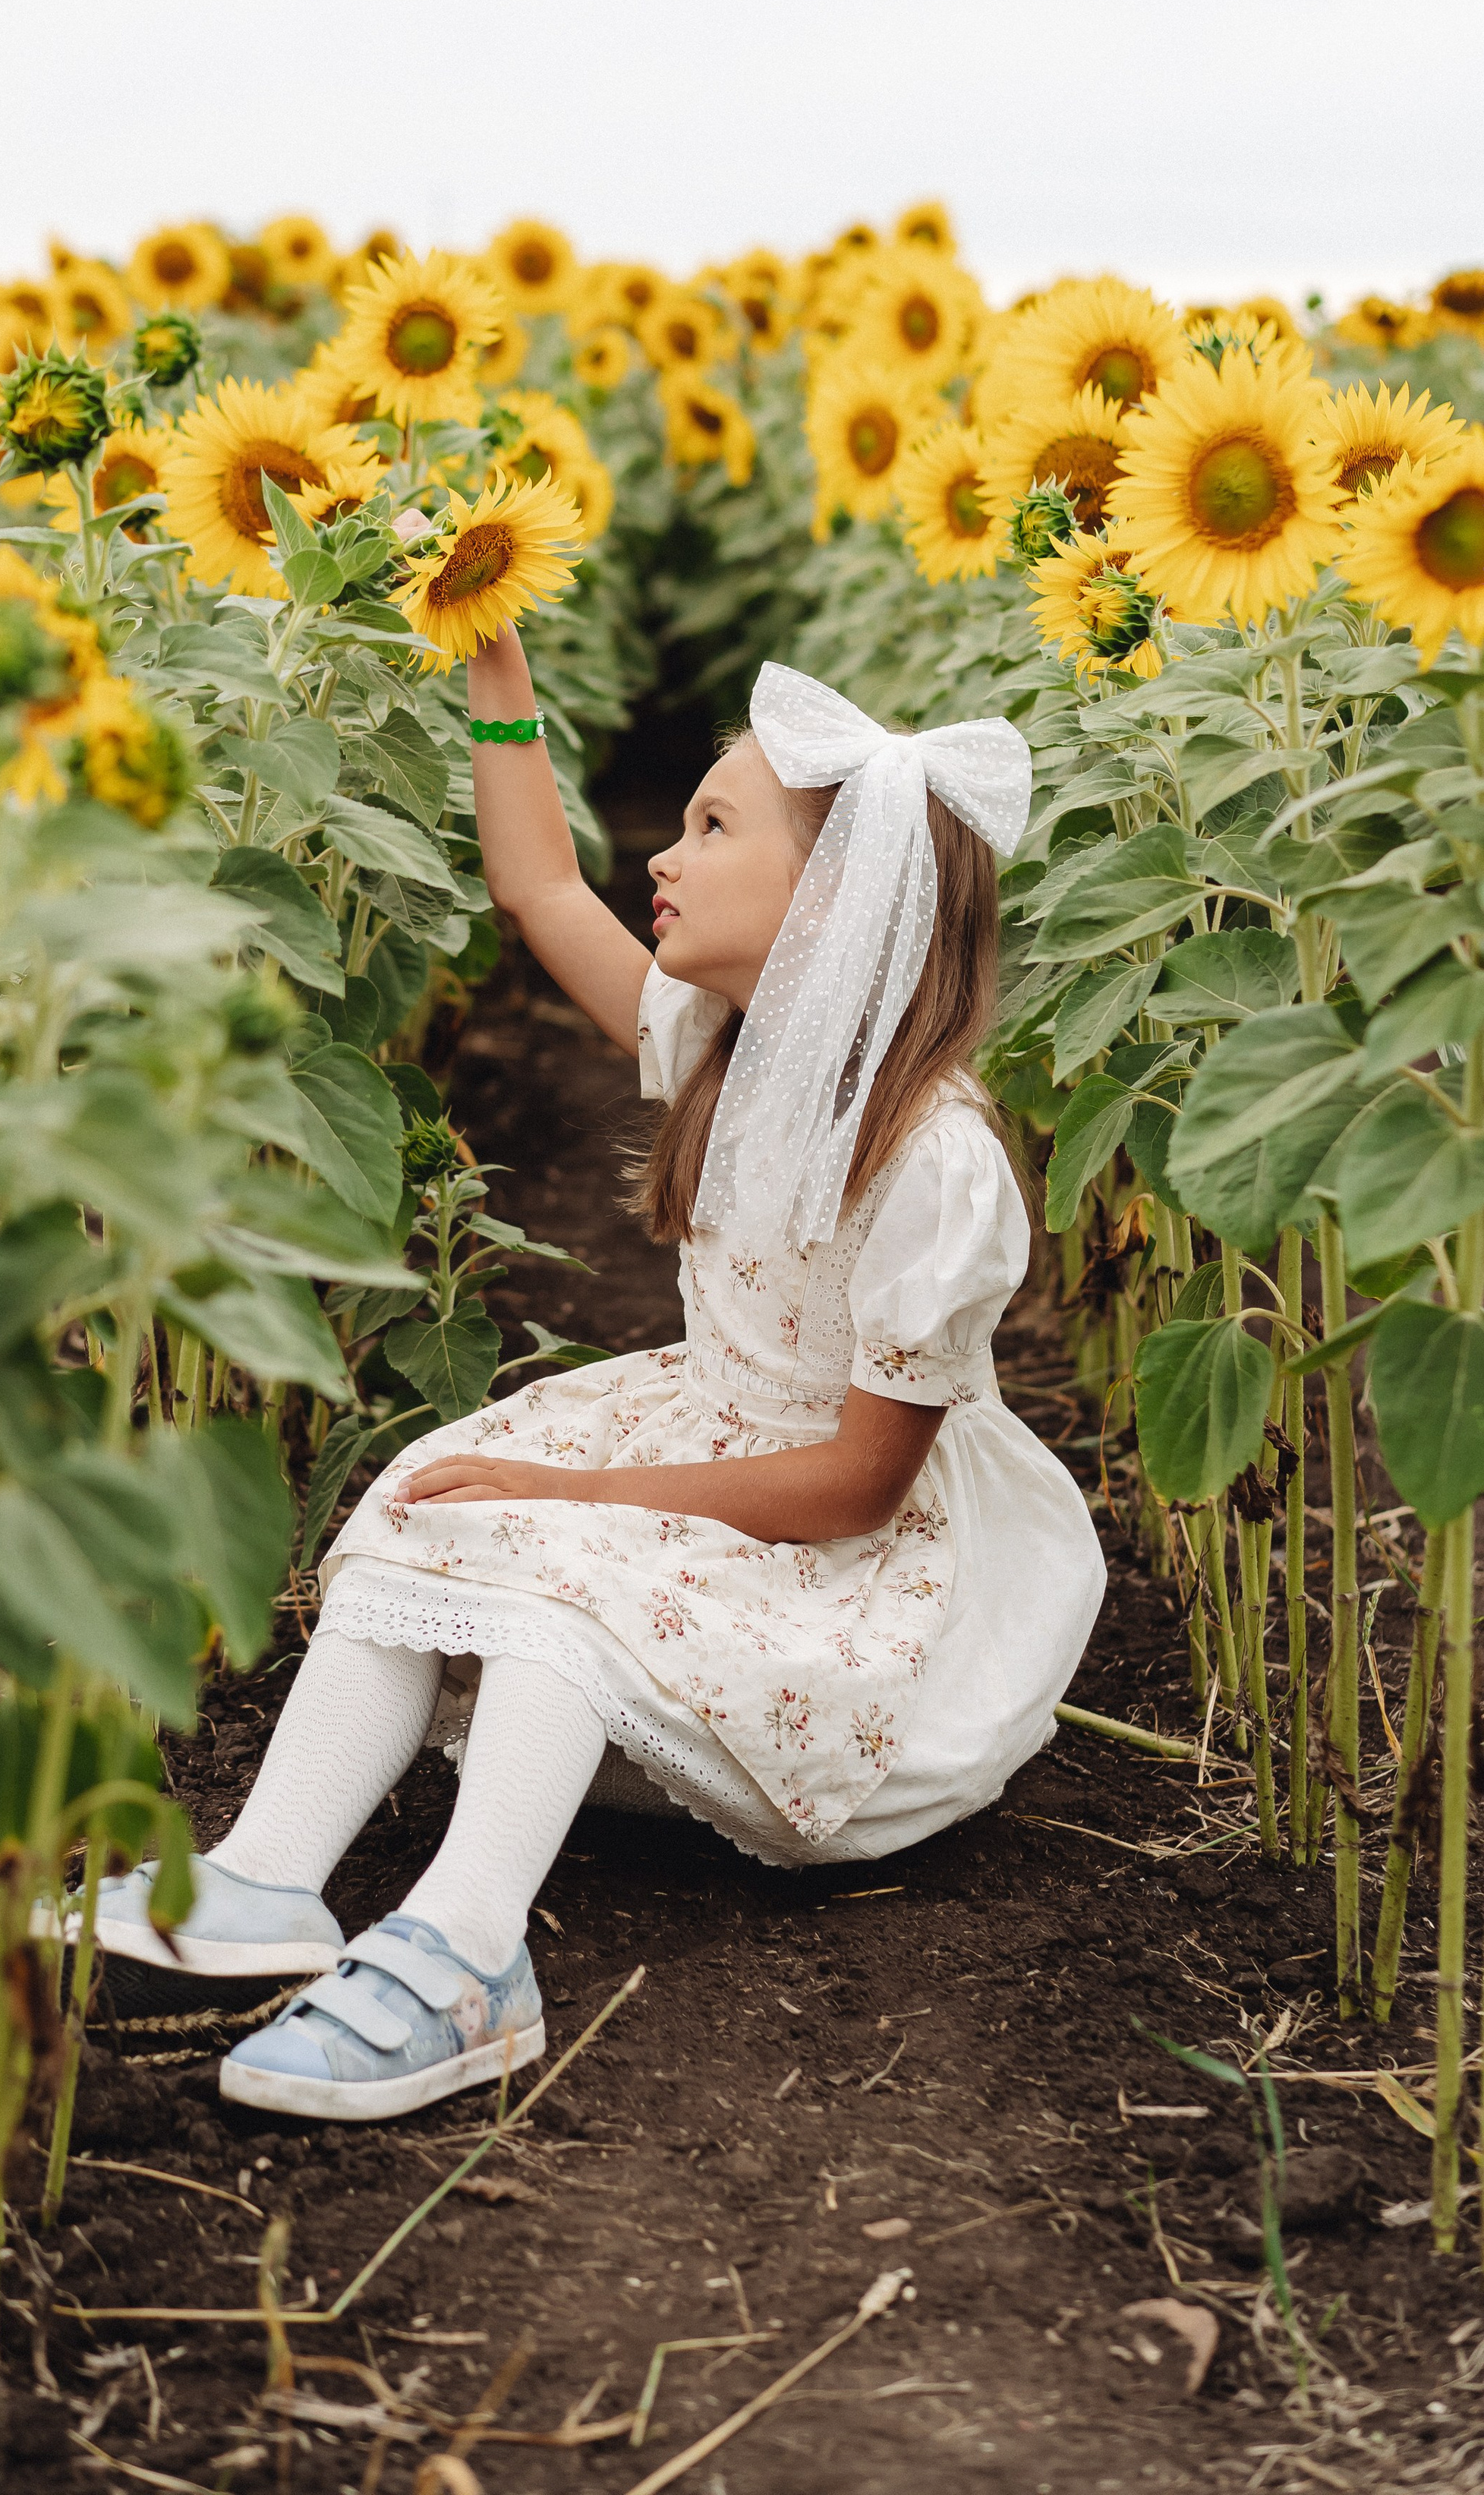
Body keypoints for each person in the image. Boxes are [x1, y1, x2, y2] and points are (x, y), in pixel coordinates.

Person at [93, 632, 1105, 2121]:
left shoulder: (932, 1160)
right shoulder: (720, 1044)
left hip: (850, 1559)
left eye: (711, 828)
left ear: (835, 898)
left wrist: (580, 1491)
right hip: (706, 1436)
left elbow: (852, 1485)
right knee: (430, 1498)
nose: (664, 855)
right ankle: (262, 1880)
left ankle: (466, 1954)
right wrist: (494, 675)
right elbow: (537, 888)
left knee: (561, 1562)